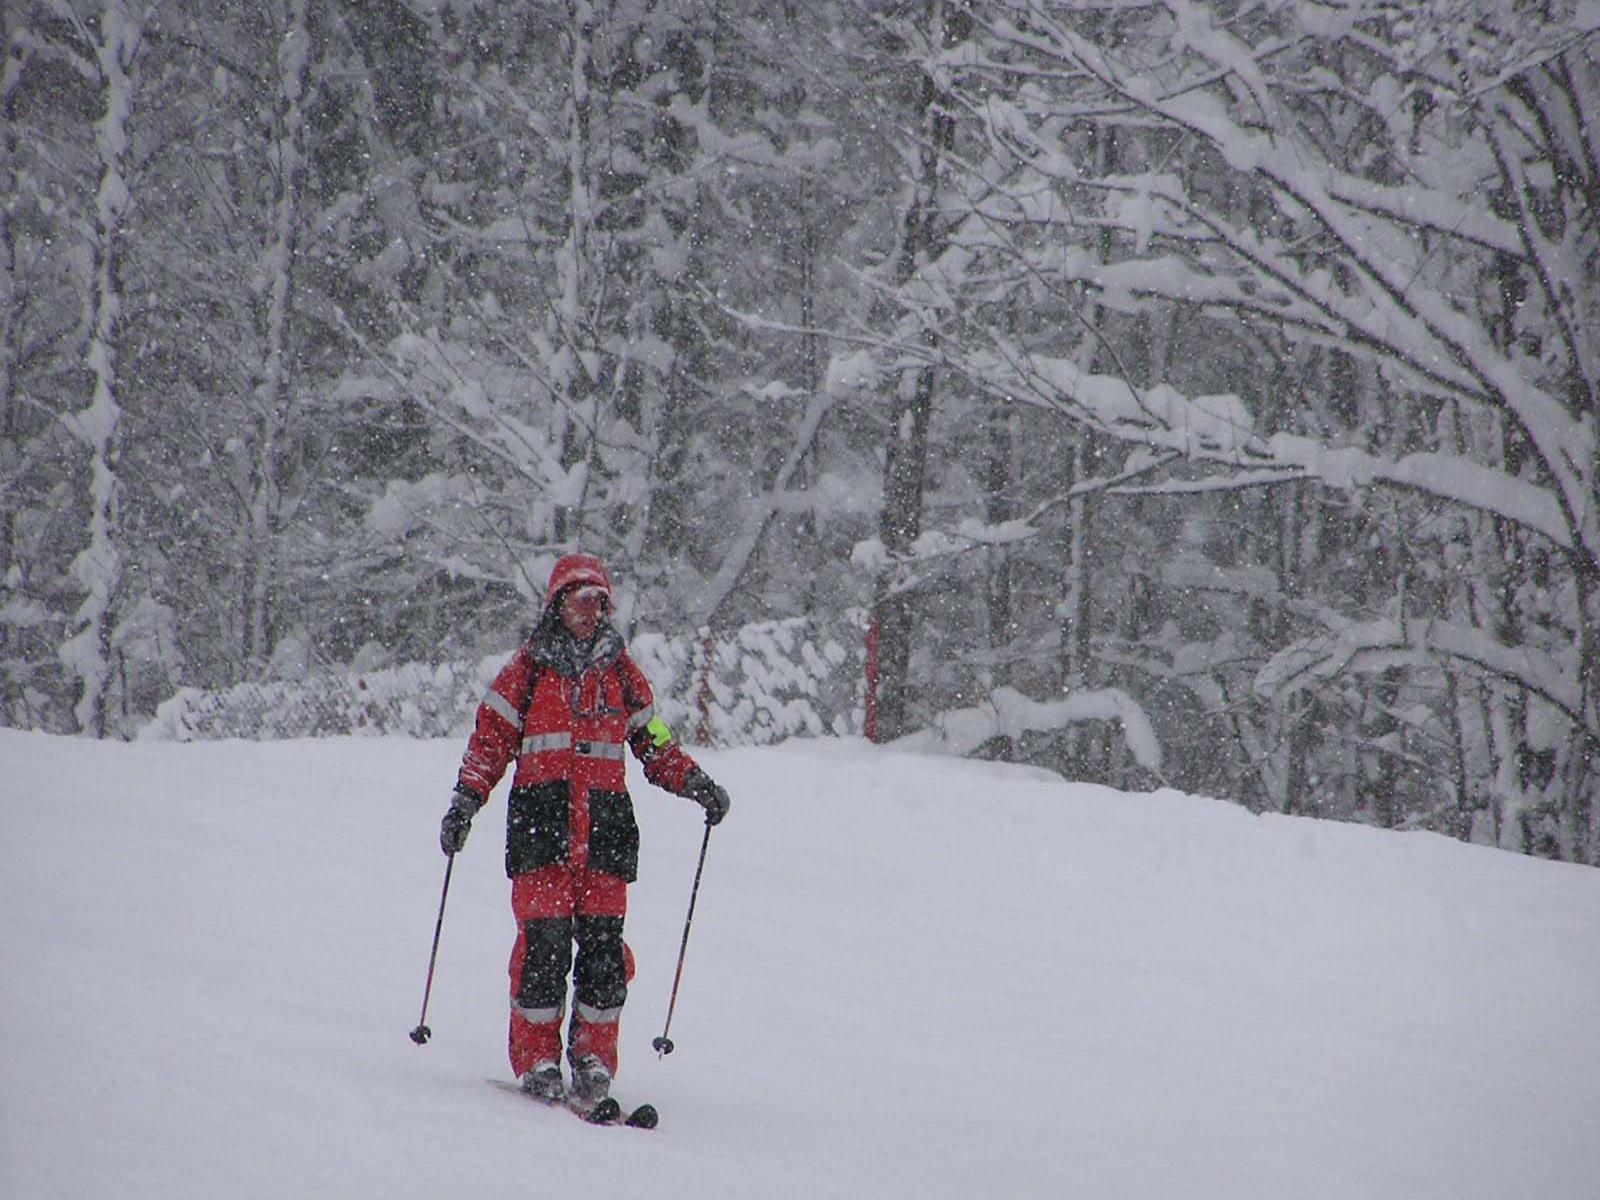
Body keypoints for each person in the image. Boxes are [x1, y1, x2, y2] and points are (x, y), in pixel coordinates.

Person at [438, 552, 730, 1106]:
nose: (591, 611)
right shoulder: (525, 672)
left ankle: (594, 1056)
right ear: (558, 604)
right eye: (581, 600)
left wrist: (695, 782)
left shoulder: (622, 673)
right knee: (543, 949)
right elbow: (489, 743)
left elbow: (656, 739)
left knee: (603, 955)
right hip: (541, 826)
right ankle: (538, 1057)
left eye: (599, 602)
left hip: (605, 834)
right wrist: (465, 802)